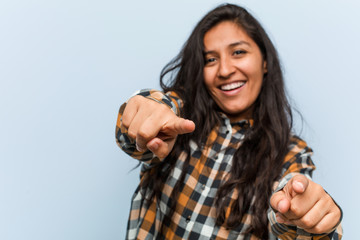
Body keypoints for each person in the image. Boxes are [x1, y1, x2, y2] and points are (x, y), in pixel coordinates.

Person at [116, 4, 342, 240]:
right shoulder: (179, 117)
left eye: (238, 52)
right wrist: (142, 112)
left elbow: (293, 218)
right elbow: (150, 115)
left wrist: (309, 217)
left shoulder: (292, 154)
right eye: (211, 59)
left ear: (265, 61)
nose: (224, 70)